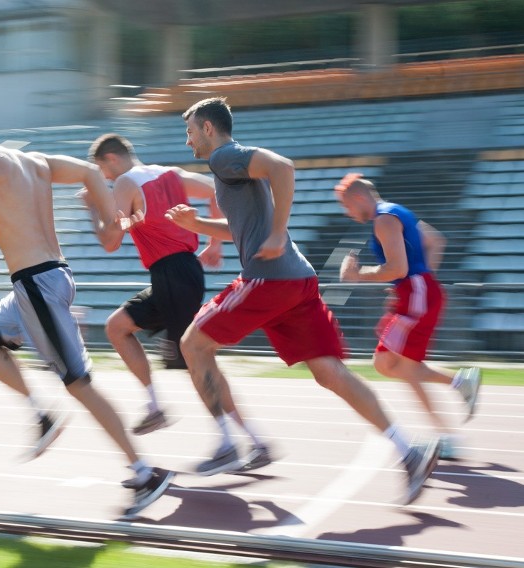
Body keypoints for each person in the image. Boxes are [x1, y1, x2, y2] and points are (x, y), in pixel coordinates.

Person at [165, 97, 439, 504]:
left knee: (192, 344)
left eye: (189, 132)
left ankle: (229, 444)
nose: (187, 142)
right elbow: (241, 229)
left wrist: (278, 233)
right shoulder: (231, 165)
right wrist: (197, 224)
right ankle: (409, 451)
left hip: (268, 280)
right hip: (298, 282)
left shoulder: (223, 156)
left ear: (208, 128)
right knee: (331, 374)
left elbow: (283, 167)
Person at [0, 116, 173, 517]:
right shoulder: (35, 160)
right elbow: (89, 173)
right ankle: (41, 415)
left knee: (78, 383)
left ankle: (145, 472)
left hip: (36, 284)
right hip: (47, 279)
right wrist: (109, 223)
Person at [86, 134, 272, 468]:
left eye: (103, 170)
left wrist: (92, 207)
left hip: (173, 274)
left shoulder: (126, 183)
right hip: (175, 275)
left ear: (112, 159)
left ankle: (234, 442)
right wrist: (215, 242)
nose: (105, 178)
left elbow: (111, 241)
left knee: (197, 359)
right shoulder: (171, 173)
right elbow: (217, 193)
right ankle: (154, 406)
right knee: (117, 327)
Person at [335, 173, 481, 459]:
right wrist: (421, 282)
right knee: (393, 364)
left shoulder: (384, 220)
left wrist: (357, 275)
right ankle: (457, 392)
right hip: (419, 292)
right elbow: (436, 241)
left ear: (359, 197)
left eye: (346, 205)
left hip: (417, 293)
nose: (347, 212)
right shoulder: (399, 212)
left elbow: (397, 269)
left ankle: (446, 430)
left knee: (394, 364)